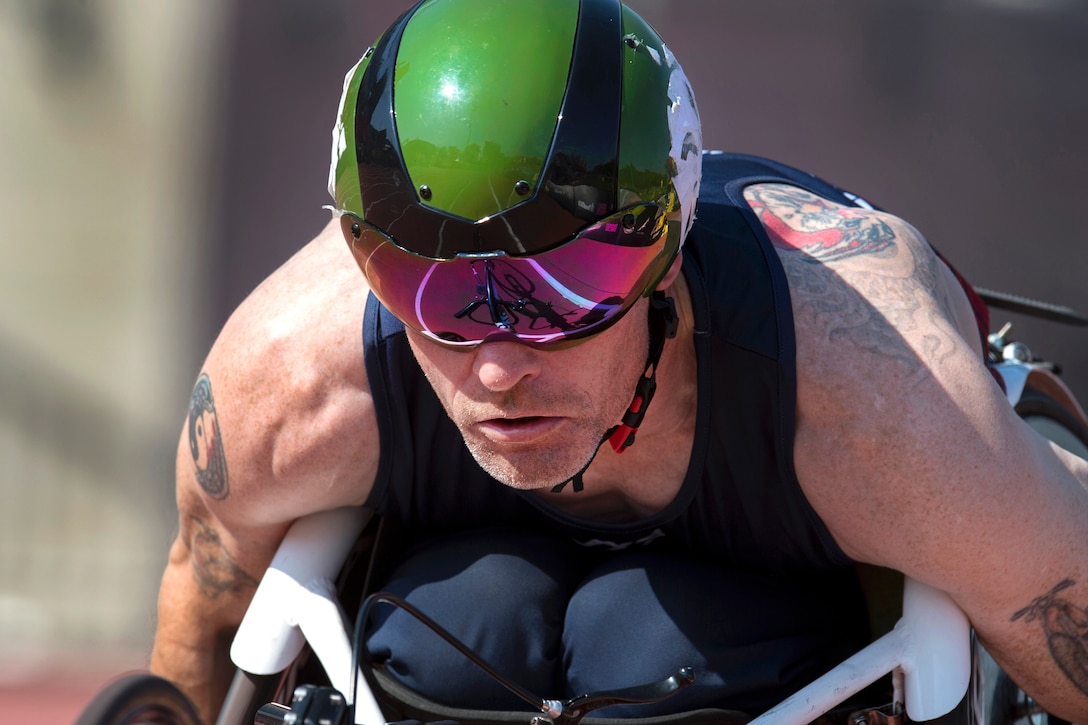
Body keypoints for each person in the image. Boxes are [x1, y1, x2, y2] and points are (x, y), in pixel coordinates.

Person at [150, 0, 1088, 722]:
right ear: (365, 260)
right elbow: (197, 626)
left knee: (641, 655)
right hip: (485, 604)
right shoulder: (292, 379)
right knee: (466, 633)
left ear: (666, 252)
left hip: (799, 570)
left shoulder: (880, 401)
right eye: (433, 287)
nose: (498, 368)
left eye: (565, 287)